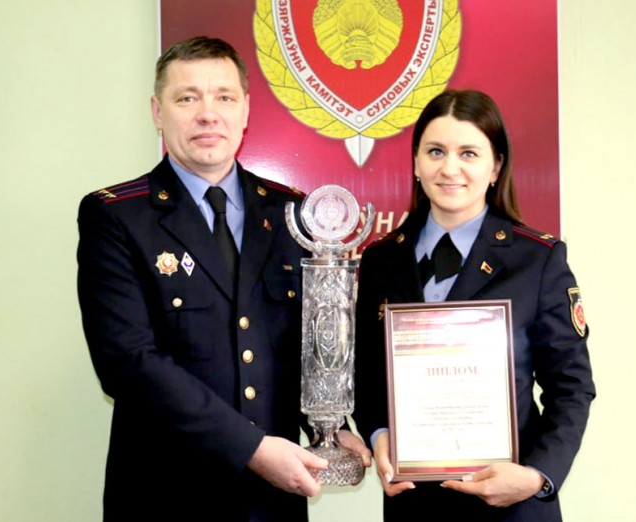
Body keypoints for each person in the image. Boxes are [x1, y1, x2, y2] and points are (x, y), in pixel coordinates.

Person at [77, 36, 370, 522]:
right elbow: (127, 363)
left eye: (224, 97)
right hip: (164, 495)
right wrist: (252, 448)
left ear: (245, 110)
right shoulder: (117, 217)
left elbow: (305, 343)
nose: (208, 114)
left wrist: (331, 427)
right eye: (187, 98)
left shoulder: (291, 214)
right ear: (157, 112)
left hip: (272, 502)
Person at [352, 90, 595, 521]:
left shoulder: (537, 259)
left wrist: (536, 475)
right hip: (415, 506)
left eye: (469, 153)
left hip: (513, 507)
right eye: (435, 151)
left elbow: (571, 386)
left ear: (495, 166)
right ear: (415, 163)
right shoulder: (381, 261)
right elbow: (367, 376)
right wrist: (379, 434)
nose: (450, 168)